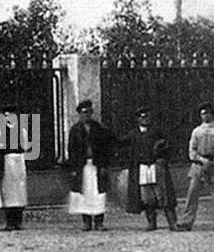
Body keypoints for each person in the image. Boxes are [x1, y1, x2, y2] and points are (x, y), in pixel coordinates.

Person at [122, 108, 179, 231]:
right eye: (142, 117)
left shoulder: (157, 131)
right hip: (142, 168)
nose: (145, 119)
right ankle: (151, 222)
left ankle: (172, 223)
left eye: (147, 116)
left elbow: (169, 145)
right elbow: (124, 146)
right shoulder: (133, 134)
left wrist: (163, 157)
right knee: (147, 197)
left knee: (163, 195)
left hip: (156, 166)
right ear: (137, 119)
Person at [176, 103, 214, 232]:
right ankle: (186, 222)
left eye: (207, 113)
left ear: (212, 114)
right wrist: (201, 160)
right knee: (192, 194)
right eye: (203, 114)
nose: (205, 116)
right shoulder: (197, 131)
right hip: (198, 165)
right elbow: (191, 151)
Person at [67, 99, 112, 230]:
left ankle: (99, 222)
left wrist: (104, 166)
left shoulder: (99, 128)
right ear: (79, 114)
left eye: (88, 113)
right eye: (83, 113)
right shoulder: (75, 130)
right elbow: (72, 150)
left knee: (98, 194)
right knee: (84, 194)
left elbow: (105, 149)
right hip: (82, 166)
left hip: (96, 165)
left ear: (92, 113)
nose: (86, 115)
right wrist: (74, 168)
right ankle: (86, 221)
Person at [0, 104, 29, 231]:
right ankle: (9, 221)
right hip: (6, 160)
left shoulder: (22, 131)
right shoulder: (0, 131)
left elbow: (25, 147)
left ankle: (18, 221)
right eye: (6, 116)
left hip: (19, 160)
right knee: (8, 191)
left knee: (20, 190)